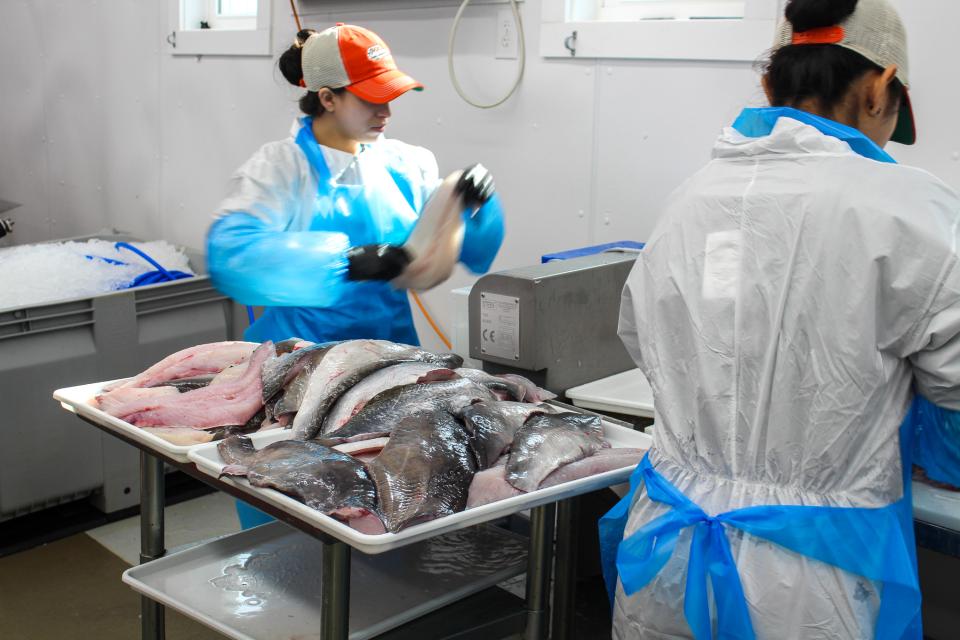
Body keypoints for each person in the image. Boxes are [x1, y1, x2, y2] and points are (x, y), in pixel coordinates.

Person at [601, 0, 960, 638]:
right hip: (811, 575)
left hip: (666, 550)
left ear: (770, 86)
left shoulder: (691, 197)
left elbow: (645, 339)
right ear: (880, 89)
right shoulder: (912, 208)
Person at [206, 24, 505, 528]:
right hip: (301, 370)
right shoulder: (280, 169)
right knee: (295, 509)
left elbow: (466, 250)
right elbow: (231, 255)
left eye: (391, 98)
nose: (385, 113)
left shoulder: (408, 164)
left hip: (391, 365)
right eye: (371, 100)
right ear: (327, 97)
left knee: (391, 502)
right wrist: (344, 262)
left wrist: (478, 206)